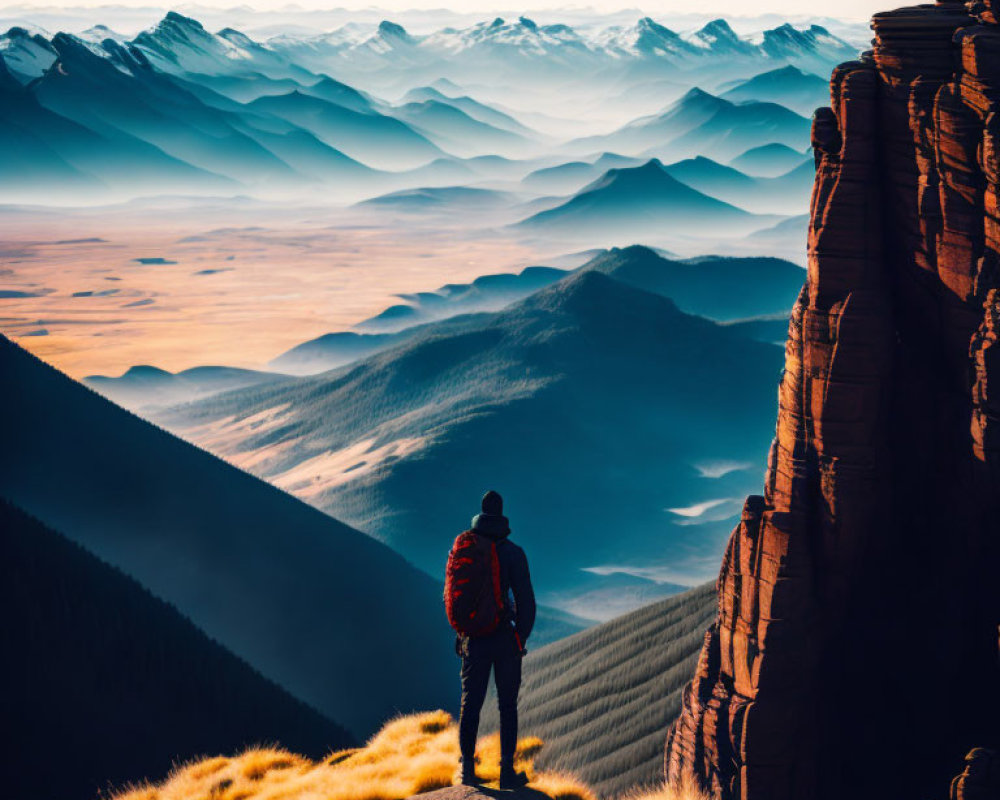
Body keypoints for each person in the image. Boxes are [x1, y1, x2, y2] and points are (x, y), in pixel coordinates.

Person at [456, 490, 536, 788]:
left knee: (470, 704)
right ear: (502, 514)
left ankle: (466, 770)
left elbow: (458, 597)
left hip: (473, 640)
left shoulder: (467, 549)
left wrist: (463, 632)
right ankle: (506, 772)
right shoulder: (513, 552)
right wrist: (520, 638)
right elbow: (527, 602)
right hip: (504, 640)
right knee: (507, 707)